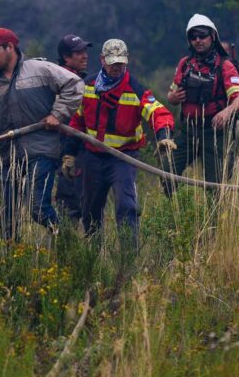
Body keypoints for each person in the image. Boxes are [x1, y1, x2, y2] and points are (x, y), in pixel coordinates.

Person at [0, 28, 83, 240]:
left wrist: (57, 114)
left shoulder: (40, 70)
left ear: (10, 47)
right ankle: (13, 254)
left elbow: (74, 84)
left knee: (37, 207)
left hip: (41, 150)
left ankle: (66, 242)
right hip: (9, 157)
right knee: (6, 215)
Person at [63, 39, 175, 241]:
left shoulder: (135, 89)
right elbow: (77, 122)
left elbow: (158, 112)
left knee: (126, 205)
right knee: (90, 210)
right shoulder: (87, 86)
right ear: (102, 60)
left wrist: (163, 137)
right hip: (92, 157)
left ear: (127, 60)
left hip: (123, 158)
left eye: (121, 62)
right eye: (112, 62)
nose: (117, 67)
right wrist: (69, 154)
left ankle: (128, 256)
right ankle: (93, 254)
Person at [164, 14, 239, 195]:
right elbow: (171, 96)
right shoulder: (184, 64)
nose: (198, 40)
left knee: (215, 187)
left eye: (202, 35)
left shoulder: (225, 66)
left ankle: (213, 213)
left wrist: (226, 112)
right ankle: (178, 208)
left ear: (213, 37)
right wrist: (174, 97)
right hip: (188, 130)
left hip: (214, 132)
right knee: (167, 170)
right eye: (193, 37)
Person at [54, 34, 92, 226]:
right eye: (79, 52)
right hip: (67, 145)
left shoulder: (81, 79)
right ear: (66, 57)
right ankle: (67, 240)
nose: (85, 56)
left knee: (83, 197)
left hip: (80, 144)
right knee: (70, 199)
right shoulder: (60, 80)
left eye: (85, 51)